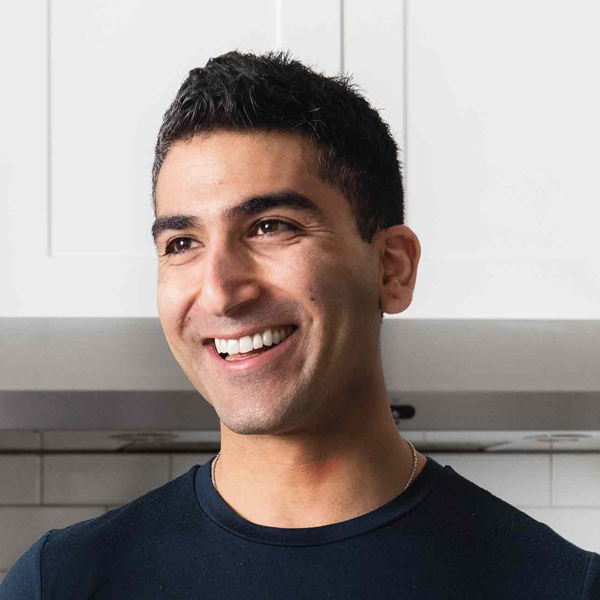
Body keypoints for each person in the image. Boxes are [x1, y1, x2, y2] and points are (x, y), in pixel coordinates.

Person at [1, 49, 598, 599]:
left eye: (270, 227)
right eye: (182, 242)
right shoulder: (62, 583)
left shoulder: (558, 585)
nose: (219, 291)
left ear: (391, 269)